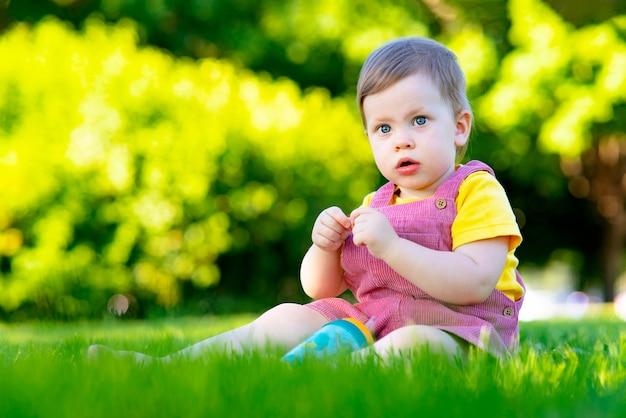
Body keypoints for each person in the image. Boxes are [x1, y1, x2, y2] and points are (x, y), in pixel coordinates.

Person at [88, 36, 525, 364]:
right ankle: (171, 367)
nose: (401, 141)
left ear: (459, 127)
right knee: (287, 316)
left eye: (420, 120)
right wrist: (325, 247)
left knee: (413, 345)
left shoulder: (475, 191)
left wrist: (392, 247)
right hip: (375, 321)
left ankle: (321, 380)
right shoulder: (376, 204)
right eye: (384, 129)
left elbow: (474, 281)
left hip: (461, 334)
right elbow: (320, 288)